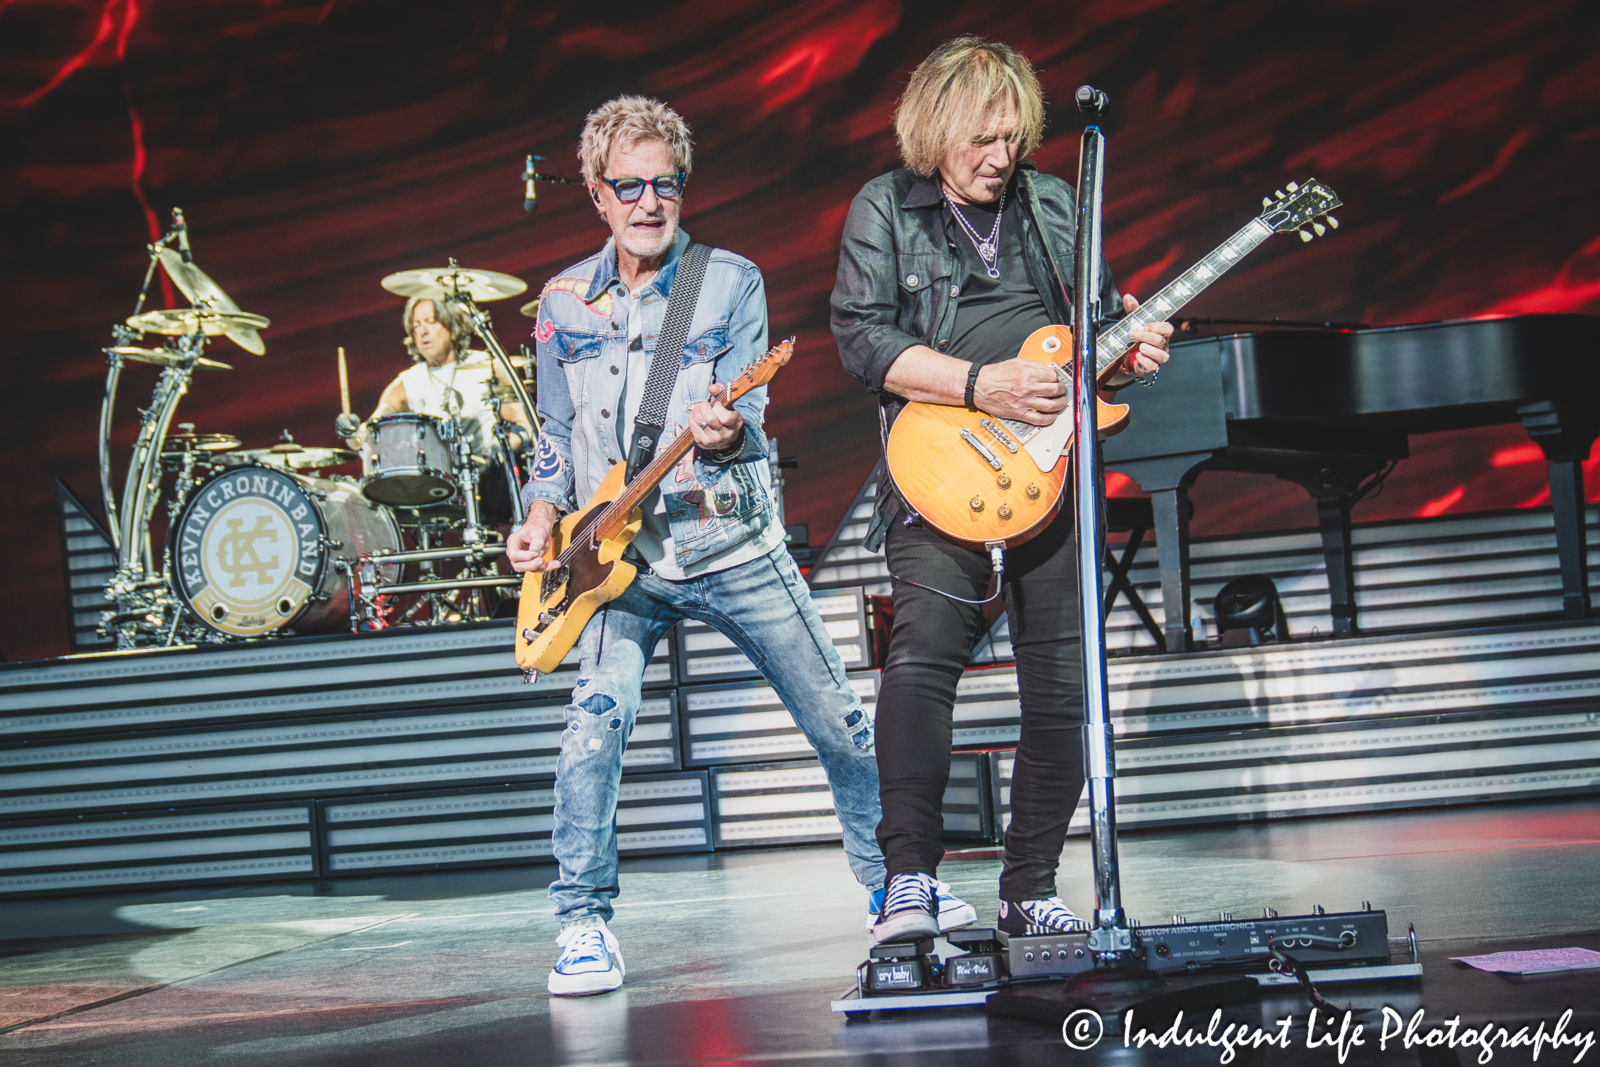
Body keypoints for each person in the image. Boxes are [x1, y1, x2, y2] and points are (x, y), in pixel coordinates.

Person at [505, 96, 972, 997]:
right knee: (591, 735)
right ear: (599, 196)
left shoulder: (727, 283)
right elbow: (556, 439)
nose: (650, 201)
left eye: (666, 183)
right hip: (613, 562)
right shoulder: (562, 301)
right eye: (630, 186)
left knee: (839, 720)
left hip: (725, 536)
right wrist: (537, 512)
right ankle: (582, 923)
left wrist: (720, 433)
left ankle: (893, 890)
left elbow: (749, 418)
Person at [830, 38, 1174, 943]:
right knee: (922, 661)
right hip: (942, 455)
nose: (1000, 157)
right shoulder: (886, 209)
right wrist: (983, 387)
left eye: (1013, 139)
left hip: (1055, 468)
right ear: (934, 129)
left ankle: (1030, 883)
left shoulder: (1056, 202)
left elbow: (1091, 342)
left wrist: (1128, 354)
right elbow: (863, 340)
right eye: (982, 139)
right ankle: (908, 879)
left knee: (1063, 684)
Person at [336, 297, 534, 517]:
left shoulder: (488, 368)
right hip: (435, 490)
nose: (422, 331)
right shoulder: (406, 384)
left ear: (451, 325)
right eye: (416, 325)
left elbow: (524, 426)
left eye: (430, 321)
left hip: (489, 482)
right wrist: (351, 433)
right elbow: (368, 436)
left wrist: (500, 448)